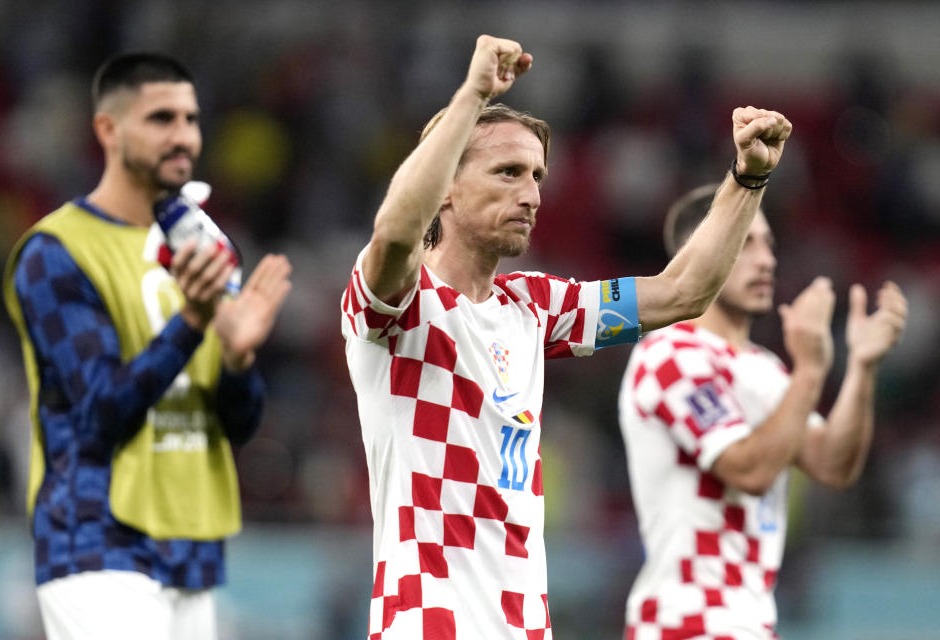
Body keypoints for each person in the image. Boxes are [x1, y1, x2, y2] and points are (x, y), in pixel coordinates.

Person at [340, 34, 792, 639]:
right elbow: (396, 230)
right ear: (444, 186)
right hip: (429, 623)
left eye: (536, 175)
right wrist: (472, 97)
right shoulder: (400, 305)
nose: (531, 194)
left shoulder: (533, 306)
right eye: (507, 173)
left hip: (526, 626)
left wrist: (747, 179)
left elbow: (682, 292)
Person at [2, 52, 292, 640]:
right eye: (162, 118)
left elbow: (236, 424)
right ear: (108, 130)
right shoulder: (55, 252)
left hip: (191, 544)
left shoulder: (204, 248)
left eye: (190, 119)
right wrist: (190, 321)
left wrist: (237, 360)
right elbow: (99, 412)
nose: (184, 136)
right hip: (96, 540)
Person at [617, 184, 907, 639]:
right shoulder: (669, 353)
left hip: (749, 622)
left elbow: (834, 464)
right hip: (686, 621)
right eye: (745, 243)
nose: (767, 260)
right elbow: (749, 470)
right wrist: (810, 370)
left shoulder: (763, 369)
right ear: (703, 252)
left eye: (769, 245)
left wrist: (862, 368)